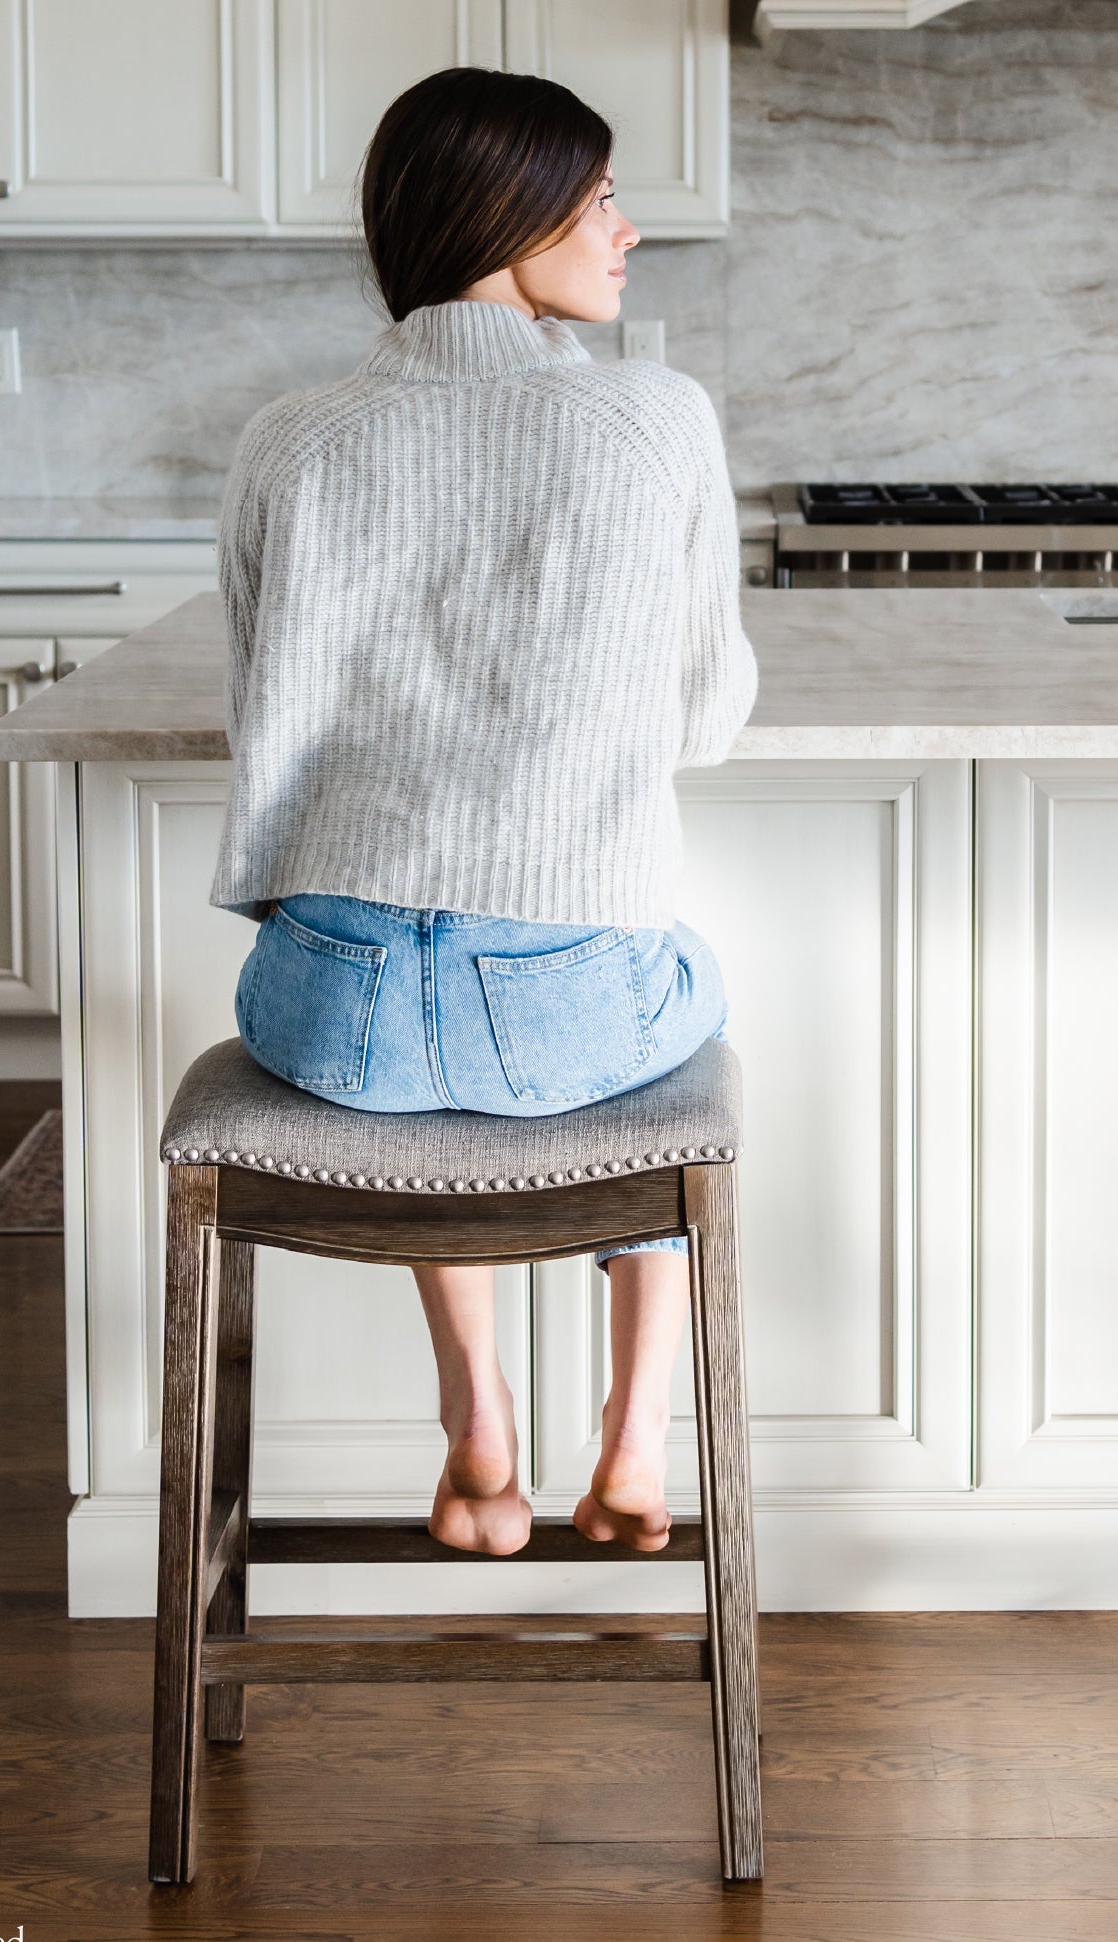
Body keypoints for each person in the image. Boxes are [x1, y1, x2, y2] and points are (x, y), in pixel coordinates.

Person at [210, 66, 756, 1560]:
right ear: (500, 219)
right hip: (563, 1017)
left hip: (328, 1013)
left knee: (434, 1038)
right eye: (596, 201)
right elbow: (704, 718)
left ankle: (480, 1432)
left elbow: (265, 713)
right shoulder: (655, 422)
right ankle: (634, 1446)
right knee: (674, 1005)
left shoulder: (289, 439)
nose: (627, 230)